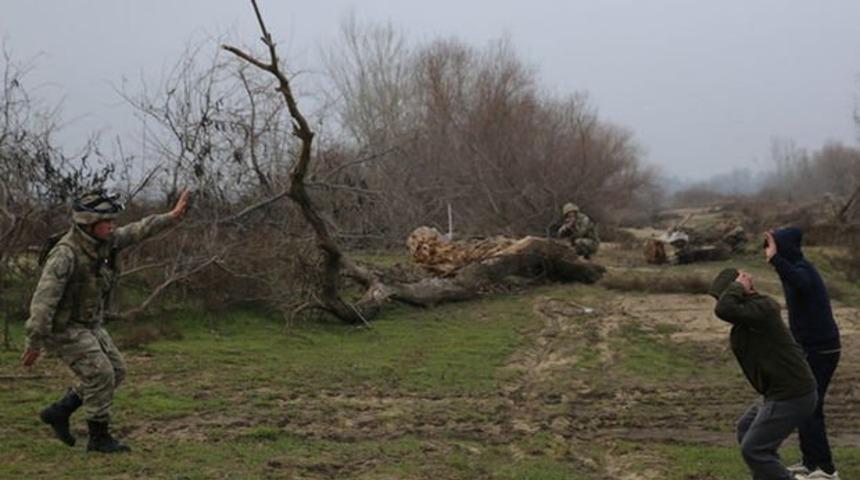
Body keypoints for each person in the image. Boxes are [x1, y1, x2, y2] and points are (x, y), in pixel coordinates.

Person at [21, 189, 190, 453]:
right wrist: (34, 341)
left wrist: (172, 216)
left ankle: (59, 411)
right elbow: (44, 301)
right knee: (100, 373)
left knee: (116, 371)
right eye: (107, 222)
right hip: (64, 329)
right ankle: (98, 437)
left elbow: (139, 229)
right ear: (88, 223)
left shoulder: (105, 242)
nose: (112, 226)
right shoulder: (65, 254)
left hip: (89, 325)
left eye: (113, 221)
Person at [709, 268, 817, 480]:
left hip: (793, 393)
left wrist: (738, 286)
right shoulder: (749, 317)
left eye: (719, 296)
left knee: (754, 449)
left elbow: (724, 309)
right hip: (777, 393)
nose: (717, 302)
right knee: (746, 429)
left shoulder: (764, 308)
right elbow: (727, 309)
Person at [765, 228, 841, 480]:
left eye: (774, 245)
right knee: (805, 406)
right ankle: (811, 462)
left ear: (784, 248)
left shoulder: (803, 269)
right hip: (811, 347)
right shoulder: (794, 268)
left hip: (821, 349)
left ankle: (826, 469)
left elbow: (801, 282)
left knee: (810, 406)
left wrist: (776, 259)